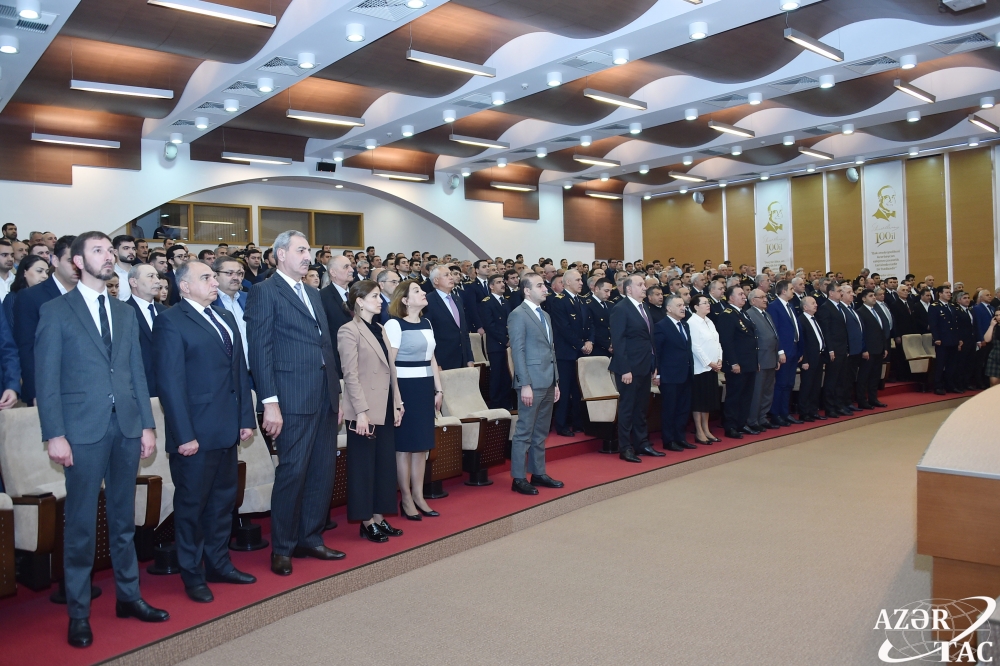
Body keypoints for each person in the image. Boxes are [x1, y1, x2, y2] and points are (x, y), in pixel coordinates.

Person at [35, 231, 167, 648]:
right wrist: (54, 434)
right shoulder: (55, 311)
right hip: (81, 431)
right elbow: (47, 380)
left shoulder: (123, 312)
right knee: (80, 527)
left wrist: (147, 425)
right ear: (76, 261)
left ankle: (129, 596)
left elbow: (136, 374)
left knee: (123, 521)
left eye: (111, 250)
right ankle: (78, 612)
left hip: (126, 427)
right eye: (98, 250)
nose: (108, 256)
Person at [153, 260, 257, 603]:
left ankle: (219, 564)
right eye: (207, 277)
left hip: (227, 430)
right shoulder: (170, 321)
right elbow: (170, 384)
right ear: (184, 286)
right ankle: (192, 574)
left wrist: (245, 419)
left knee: (221, 505)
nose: (216, 282)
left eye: (215, 277)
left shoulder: (226, 317)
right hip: (194, 435)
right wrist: (184, 436)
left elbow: (239, 374)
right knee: (192, 508)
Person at [245, 230, 344, 576]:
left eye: (309, 250)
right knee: (292, 472)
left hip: (323, 395)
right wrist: (270, 402)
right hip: (290, 397)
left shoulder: (314, 293)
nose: (308, 255)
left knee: (321, 470)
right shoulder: (263, 292)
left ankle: (311, 537)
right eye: (301, 250)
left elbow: (325, 347)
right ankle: (283, 546)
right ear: (281, 253)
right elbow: (260, 350)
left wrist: (338, 393)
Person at [338, 280, 404, 543]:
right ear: (359, 301)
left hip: (385, 406)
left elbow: (391, 370)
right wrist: (361, 412)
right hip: (364, 410)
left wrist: (398, 403)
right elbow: (350, 375)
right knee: (364, 468)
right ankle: (366, 522)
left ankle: (379, 517)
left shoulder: (379, 328)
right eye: (375, 296)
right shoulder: (348, 331)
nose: (380, 300)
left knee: (384, 466)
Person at [385, 280, 442, 518]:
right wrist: (397, 397)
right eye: (417, 291)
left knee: (421, 446)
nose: (423, 293)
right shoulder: (394, 324)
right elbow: (390, 364)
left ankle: (419, 496)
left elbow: (431, 358)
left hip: (424, 385)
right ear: (405, 300)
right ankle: (406, 498)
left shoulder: (427, 322)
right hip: (405, 387)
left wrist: (439, 390)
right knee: (405, 447)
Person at [507, 273, 563, 494]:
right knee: (524, 432)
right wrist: (524, 384)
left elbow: (551, 351)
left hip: (548, 380)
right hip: (531, 381)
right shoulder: (518, 315)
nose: (545, 288)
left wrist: (556, 381)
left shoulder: (545, 316)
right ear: (527, 290)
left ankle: (538, 473)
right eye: (539, 285)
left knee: (541, 431)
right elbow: (517, 352)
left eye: (544, 284)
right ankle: (518, 477)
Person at [14, 235, 77, 406]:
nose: (78, 266)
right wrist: (35, 391)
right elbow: (27, 347)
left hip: (86, 389)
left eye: (82, 260)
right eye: (71, 260)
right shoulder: (31, 296)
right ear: (55, 260)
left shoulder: (89, 296)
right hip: (49, 389)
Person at [609, 274, 662, 462]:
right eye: (640, 284)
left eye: (644, 284)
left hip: (644, 366)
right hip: (628, 368)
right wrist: (624, 369)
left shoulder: (644, 307)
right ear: (628, 289)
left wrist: (654, 364)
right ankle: (625, 448)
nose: (644, 287)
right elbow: (619, 340)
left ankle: (642, 443)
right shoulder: (621, 309)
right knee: (627, 408)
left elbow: (649, 339)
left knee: (641, 408)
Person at [549, 269, 592, 437]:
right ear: (567, 283)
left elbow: (590, 325)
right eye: (578, 280)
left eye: (581, 280)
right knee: (565, 390)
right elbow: (564, 328)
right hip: (566, 353)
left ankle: (577, 421)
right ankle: (561, 424)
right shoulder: (559, 301)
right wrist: (581, 344)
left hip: (581, 352)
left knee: (578, 389)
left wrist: (590, 341)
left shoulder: (581, 301)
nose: (582, 283)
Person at [716, 286, 758, 439]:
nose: (744, 296)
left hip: (749, 362)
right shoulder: (727, 315)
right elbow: (726, 342)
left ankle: (741, 423)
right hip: (737, 364)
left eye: (743, 294)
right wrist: (733, 362)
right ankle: (731, 426)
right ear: (730, 298)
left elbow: (752, 339)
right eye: (740, 294)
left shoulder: (743, 313)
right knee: (734, 396)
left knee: (746, 396)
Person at [654, 294, 694, 451]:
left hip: (686, 373)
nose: (683, 308)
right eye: (679, 305)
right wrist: (657, 374)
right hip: (670, 375)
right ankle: (668, 440)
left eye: (683, 305)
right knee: (670, 409)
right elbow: (658, 352)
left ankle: (680, 437)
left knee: (683, 408)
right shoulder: (661, 326)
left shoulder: (685, 325)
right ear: (669, 308)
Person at [125, 264, 166, 398]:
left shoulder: (166, 312)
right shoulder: (123, 313)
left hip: (166, 386)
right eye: (150, 276)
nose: (157, 281)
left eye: (157, 276)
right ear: (133, 282)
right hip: (139, 389)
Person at [767, 280, 803, 425]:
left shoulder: (790, 305)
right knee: (781, 384)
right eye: (791, 289)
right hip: (783, 351)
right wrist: (780, 351)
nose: (793, 291)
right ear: (783, 291)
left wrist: (800, 349)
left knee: (789, 384)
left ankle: (785, 412)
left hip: (793, 350)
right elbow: (775, 331)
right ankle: (776, 414)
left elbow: (795, 328)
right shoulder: (774, 307)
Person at [424, 265, 474, 370]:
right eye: (446, 275)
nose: (451, 277)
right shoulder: (428, 301)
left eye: (451, 274)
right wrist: (436, 362)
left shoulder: (457, 299)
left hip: (462, 358)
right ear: (436, 280)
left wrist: (470, 358)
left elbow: (464, 332)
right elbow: (429, 334)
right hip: (443, 360)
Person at [744, 289, 779, 433]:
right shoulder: (750, 315)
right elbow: (753, 340)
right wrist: (755, 360)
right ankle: (753, 420)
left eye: (765, 297)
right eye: (762, 297)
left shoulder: (766, 314)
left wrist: (777, 357)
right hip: (760, 360)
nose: (766, 299)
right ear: (753, 301)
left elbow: (774, 337)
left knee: (768, 391)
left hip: (771, 358)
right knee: (757, 392)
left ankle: (763, 417)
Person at [688, 294, 722, 444]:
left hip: (713, 367)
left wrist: (719, 359)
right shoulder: (692, 322)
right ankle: (699, 431)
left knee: (708, 401)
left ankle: (706, 428)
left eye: (708, 302)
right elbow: (695, 346)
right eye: (704, 303)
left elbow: (717, 342)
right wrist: (709, 363)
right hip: (700, 368)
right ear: (696, 307)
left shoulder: (709, 321)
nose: (708, 304)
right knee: (699, 401)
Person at [478, 274, 513, 409]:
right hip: (496, 345)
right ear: (491, 286)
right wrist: (505, 341)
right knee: (497, 377)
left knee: (507, 376)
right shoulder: (486, 302)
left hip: (508, 345)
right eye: (498, 282)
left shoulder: (506, 302)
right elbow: (490, 326)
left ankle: (507, 404)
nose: (502, 284)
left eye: (503, 282)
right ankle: (495, 405)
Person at [320, 255, 355, 376]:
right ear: (333, 272)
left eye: (350, 266)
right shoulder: (322, 297)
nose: (351, 270)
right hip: (338, 362)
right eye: (346, 267)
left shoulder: (357, 294)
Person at [855, 289, 889, 409]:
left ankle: (873, 399)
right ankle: (862, 400)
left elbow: (882, 331)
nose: (874, 297)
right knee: (864, 377)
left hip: (879, 349)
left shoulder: (876, 311)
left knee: (875, 376)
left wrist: (884, 347)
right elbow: (861, 333)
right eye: (871, 296)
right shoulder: (860, 312)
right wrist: (864, 349)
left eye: (874, 295)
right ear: (864, 299)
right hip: (868, 350)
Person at [212, 257, 249, 366]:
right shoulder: (210, 303)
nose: (236, 277)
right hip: (227, 371)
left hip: (253, 372)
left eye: (239, 273)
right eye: (229, 273)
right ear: (215, 276)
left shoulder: (249, 299)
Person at [929, 286, 960, 395]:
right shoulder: (935, 307)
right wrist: (936, 338)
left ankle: (949, 384)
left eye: (949, 292)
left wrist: (959, 339)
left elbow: (956, 324)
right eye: (946, 292)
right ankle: (938, 386)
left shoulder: (952, 306)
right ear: (940, 294)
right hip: (942, 340)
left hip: (953, 339)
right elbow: (934, 324)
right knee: (940, 364)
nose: (949, 294)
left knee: (952, 364)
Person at [4, 254, 48, 326]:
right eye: (39, 271)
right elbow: (11, 329)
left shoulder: (47, 296)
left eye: (47, 272)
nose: (45, 276)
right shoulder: (13, 298)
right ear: (24, 272)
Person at [954, 291, 978, 391]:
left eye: (968, 298)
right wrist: (958, 340)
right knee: (961, 363)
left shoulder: (971, 310)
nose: (967, 300)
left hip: (971, 340)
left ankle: (967, 382)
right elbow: (956, 327)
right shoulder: (957, 311)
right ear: (959, 300)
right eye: (964, 298)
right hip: (963, 340)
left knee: (970, 362)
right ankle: (959, 384)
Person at [112, 235, 136, 302]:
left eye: (133, 248)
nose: (131, 252)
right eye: (126, 248)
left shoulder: (140, 272)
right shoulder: (110, 275)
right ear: (115, 252)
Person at [983, 310, 1000, 386]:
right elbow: (987, 339)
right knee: (993, 382)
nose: (998, 317)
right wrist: (991, 326)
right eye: (996, 315)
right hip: (995, 356)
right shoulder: (994, 327)